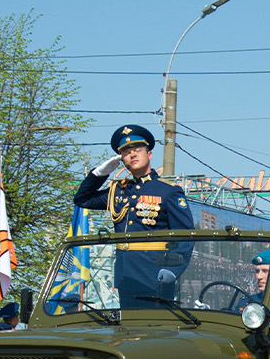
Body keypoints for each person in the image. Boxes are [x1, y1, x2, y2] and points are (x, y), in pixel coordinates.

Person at [72, 125, 196, 304]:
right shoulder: (119, 191)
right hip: (126, 276)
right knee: (129, 329)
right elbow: (82, 199)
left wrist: (173, 271)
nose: (133, 155)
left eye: (137, 150)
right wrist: (100, 173)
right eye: (126, 152)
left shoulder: (168, 192)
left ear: (150, 154)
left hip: (155, 275)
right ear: (122, 160)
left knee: (157, 329)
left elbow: (186, 236)